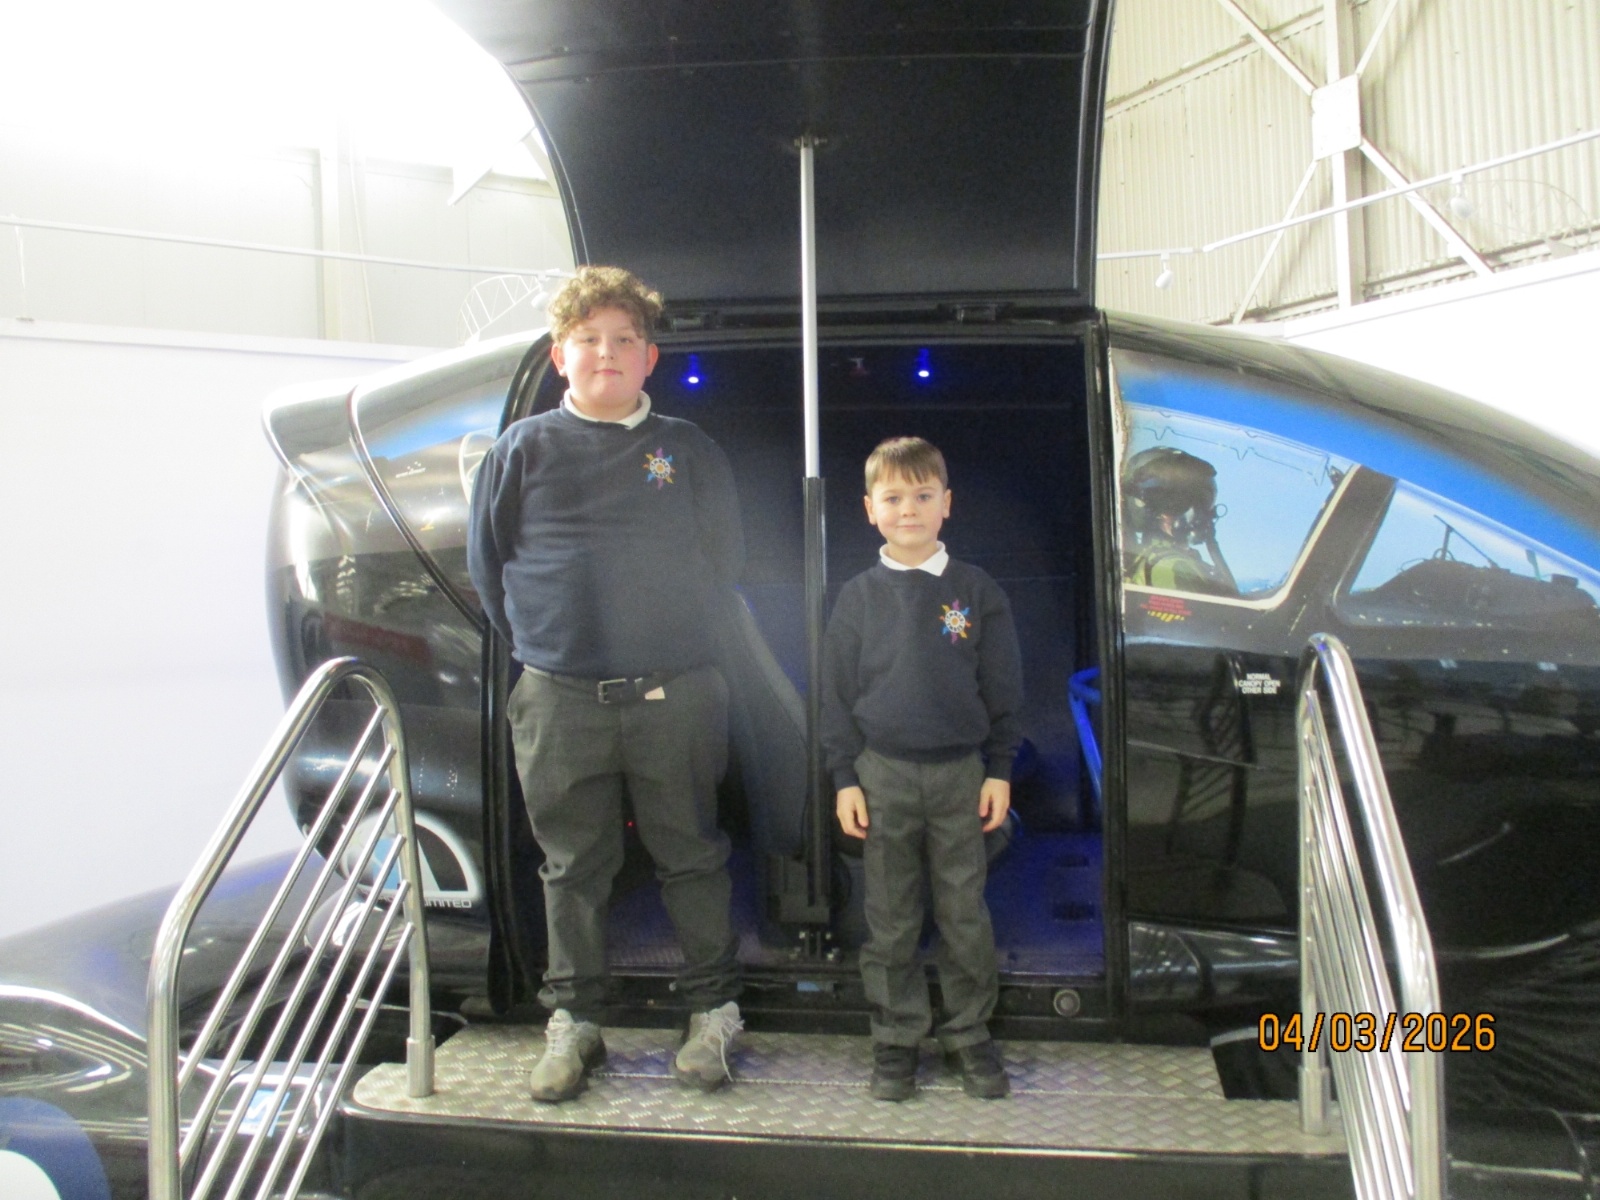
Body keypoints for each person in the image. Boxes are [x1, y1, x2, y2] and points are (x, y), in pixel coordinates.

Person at [467, 265, 745, 1103]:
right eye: (588, 339)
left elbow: (726, 560)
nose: (606, 353)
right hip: (557, 699)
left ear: (649, 357)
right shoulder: (521, 450)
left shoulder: (688, 450)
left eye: (624, 339)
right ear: (561, 355)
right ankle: (576, 1023)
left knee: (691, 853)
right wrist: (553, 648)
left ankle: (713, 1014)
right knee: (572, 867)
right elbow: (489, 570)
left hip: (676, 692)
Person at [820, 436, 1023, 1102]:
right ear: (870, 509)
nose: (908, 509)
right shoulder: (857, 597)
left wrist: (999, 768)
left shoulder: (976, 591)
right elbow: (834, 697)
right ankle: (896, 1038)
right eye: (893, 497)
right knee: (891, 918)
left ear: (947, 504)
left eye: (923, 495)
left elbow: (1004, 688)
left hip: (962, 775)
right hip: (881, 776)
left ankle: (969, 1034)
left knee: (965, 913)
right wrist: (844, 778)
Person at [1121, 446, 1238, 596]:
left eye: (1201, 503)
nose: (1193, 514)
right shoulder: (1174, 567)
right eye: (1176, 505)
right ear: (1145, 508)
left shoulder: (1155, 561)